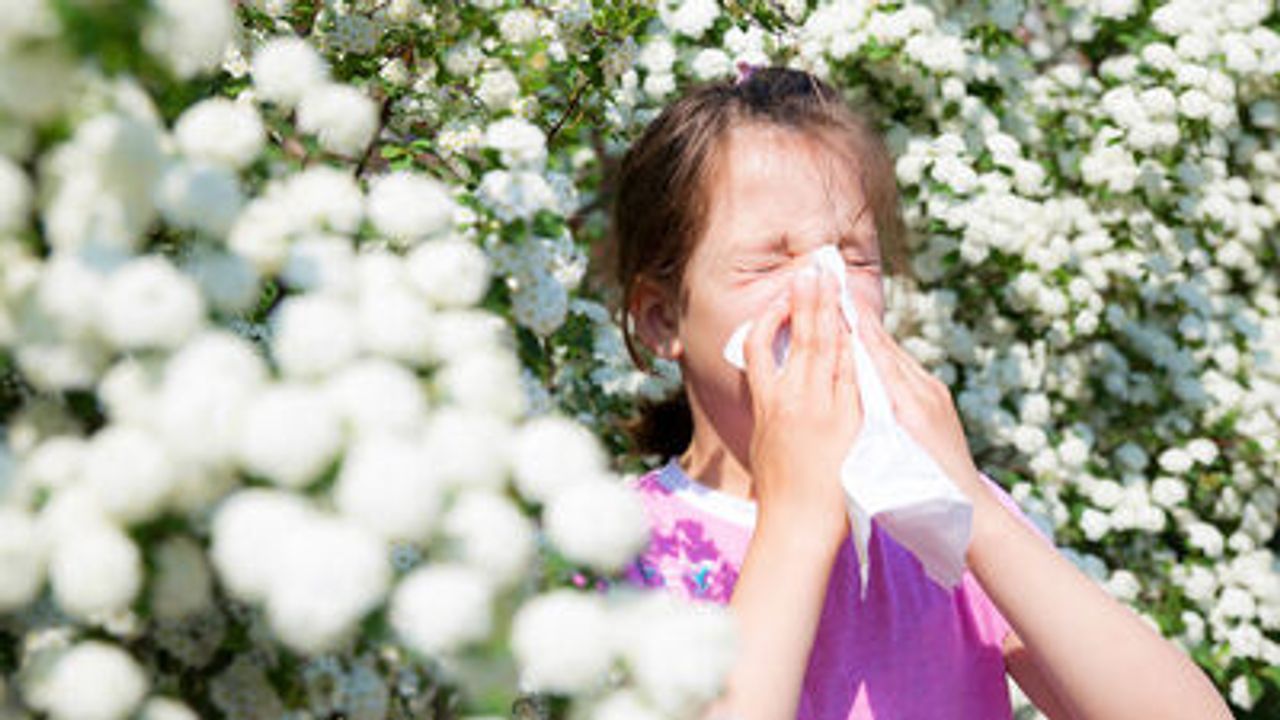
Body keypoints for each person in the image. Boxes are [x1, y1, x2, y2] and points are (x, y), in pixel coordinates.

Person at [604, 66, 1231, 719]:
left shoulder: (932, 521)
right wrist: (798, 522)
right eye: (768, 261)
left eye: (855, 256)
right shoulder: (622, 550)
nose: (827, 288)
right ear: (663, 319)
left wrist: (973, 511)